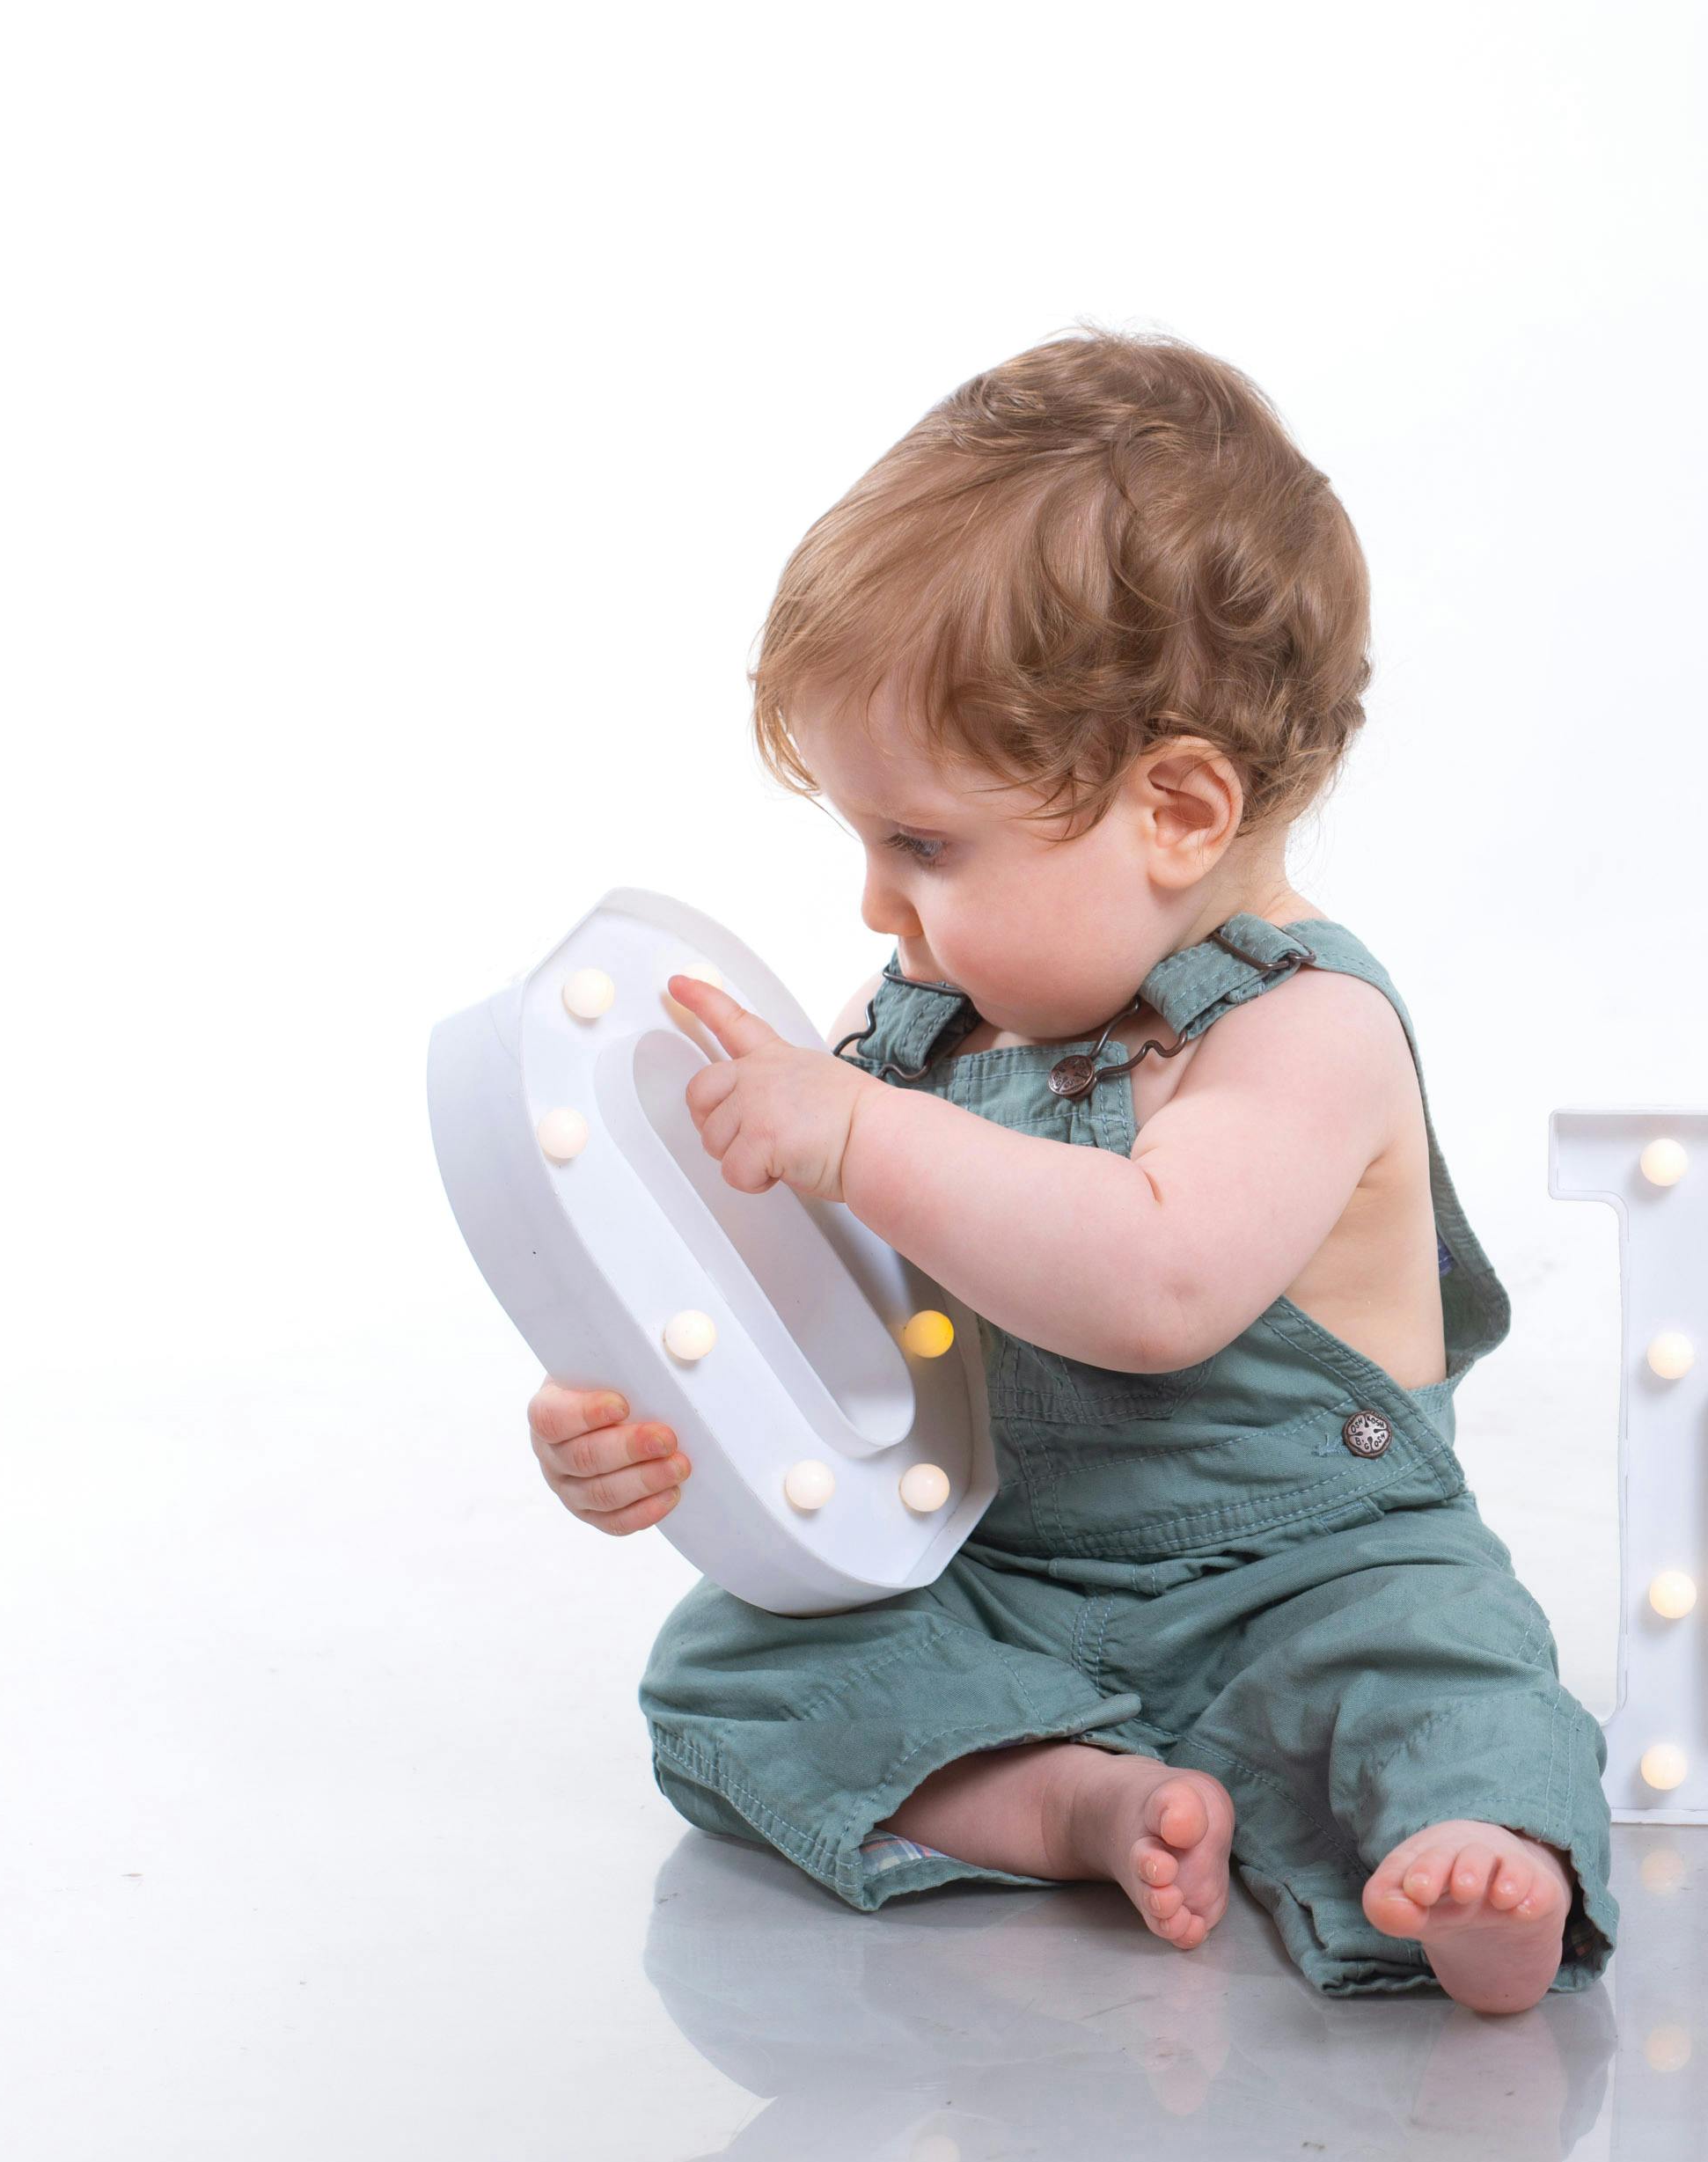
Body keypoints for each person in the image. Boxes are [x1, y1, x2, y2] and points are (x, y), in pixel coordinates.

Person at [520, 327, 1614, 2015]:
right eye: (867, 842)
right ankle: (1066, 1798)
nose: (876, 903)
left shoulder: (1304, 1032)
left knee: (1449, 1670)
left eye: (924, 843)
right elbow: (805, 1303)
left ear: (1177, 809)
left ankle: (1482, 1854)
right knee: (726, 1667)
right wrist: (649, 1414)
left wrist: (860, 1135)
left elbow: (1158, 1280)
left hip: (1313, 1578)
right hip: (1007, 1575)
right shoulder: (912, 1028)